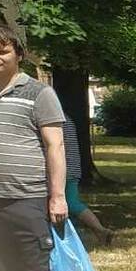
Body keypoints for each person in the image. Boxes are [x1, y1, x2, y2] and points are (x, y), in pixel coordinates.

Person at [0, 20, 73, 271]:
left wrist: (58, 196)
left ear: (18, 54)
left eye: (2, 50)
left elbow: (55, 146)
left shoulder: (38, 93)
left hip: (27, 198)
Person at [55, 100, 114, 247]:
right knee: (72, 203)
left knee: (71, 204)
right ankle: (94, 232)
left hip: (64, 169)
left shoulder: (56, 121)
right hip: (73, 168)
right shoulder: (67, 120)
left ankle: (99, 230)